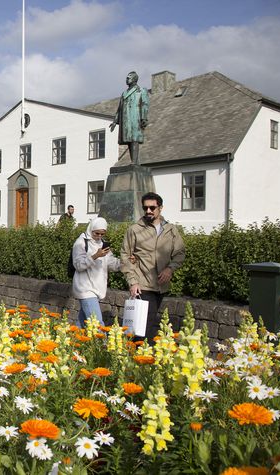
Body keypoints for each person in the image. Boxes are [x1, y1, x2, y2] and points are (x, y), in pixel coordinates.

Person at [120, 192, 185, 341]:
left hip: (161, 285)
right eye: (145, 208)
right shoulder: (134, 230)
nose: (148, 211)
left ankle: (137, 355)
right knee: (143, 326)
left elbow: (180, 253)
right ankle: (139, 357)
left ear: (160, 208)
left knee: (148, 322)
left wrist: (170, 268)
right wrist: (133, 281)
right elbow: (125, 256)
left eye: (152, 207)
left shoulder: (171, 230)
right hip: (142, 285)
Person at [72, 217, 120, 327]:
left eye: (102, 234)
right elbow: (78, 265)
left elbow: (110, 263)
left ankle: (72, 341)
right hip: (85, 288)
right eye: (96, 233)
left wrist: (125, 263)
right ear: (91, 229)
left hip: (97, 287)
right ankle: (102, 343)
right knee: (97, 323)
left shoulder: (102, 243)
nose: (99, 236)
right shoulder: (81, 242)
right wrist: (95, 256)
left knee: (82, 324)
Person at [109, 71, 150, 165]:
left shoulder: (141, 91)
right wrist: (115, 121)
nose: (126, 79)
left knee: (134, 139)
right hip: (125, 119)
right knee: (128, 139)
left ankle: (134, 162)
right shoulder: (124, 93)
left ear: (134, 79)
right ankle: (134, 161)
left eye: (129, 78)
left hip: (135, 117)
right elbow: (119, 108)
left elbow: (144, 105)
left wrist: (144, 118)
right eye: (126, 78)